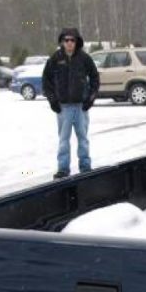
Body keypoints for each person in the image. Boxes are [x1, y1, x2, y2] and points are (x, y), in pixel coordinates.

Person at [42, 27, 100, 179]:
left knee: (83, 138)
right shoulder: (55, 59)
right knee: (63, 140)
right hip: (63, 108)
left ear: (76, 41)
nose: (69, 43)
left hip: (81, 107)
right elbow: (46, 81)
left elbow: (95, 78)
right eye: (66, 40)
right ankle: (63, 168)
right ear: (62, 41)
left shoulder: (84, 59)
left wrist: (90, 99)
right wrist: (52, 100)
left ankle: (85, 166)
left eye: (72, 40)